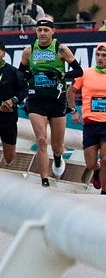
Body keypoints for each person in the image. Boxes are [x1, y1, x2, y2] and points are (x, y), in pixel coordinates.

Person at [20, 17, 81, 187]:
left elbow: (79, 71)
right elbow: (20, 74)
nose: (42, 33)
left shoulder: (61, 49)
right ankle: (44, 179)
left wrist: (61, 75)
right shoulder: (29, 50)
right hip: (36, 100)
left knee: (57, 145)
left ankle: (58, 157)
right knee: (41, 139)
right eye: (39, 30)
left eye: (46, 30)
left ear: (53, 32)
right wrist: (27, 76)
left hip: (57, 101)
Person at [73, 43, 106, 194]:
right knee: (91, 162)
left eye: (104, 55)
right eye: (98, 55)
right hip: (90, 123)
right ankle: (97, 169)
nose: (100, 58)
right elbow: (71, 91)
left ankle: (105, 193)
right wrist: (74, 110)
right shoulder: (85, 73)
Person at [0, 44, 27, 165]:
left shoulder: (13, 71)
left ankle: (7, 164)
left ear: (3, 53)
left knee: (9, 156)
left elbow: (23, 90)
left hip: (8, 117)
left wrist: (13, 100)